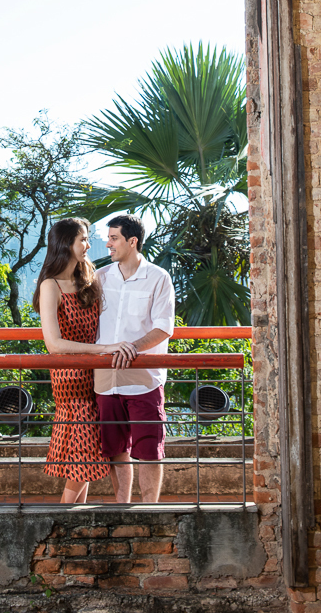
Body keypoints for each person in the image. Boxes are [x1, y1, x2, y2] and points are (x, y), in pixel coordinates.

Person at [94, 214, 175, 504]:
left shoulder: (158, 278)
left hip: (144, 380)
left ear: (132, 241)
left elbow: (164, 327)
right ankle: (122, 507)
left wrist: (132, 347)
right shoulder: (100, 277)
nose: (108, 244)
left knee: (149, 450)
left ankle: (149, 511)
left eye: (114, 238)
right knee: (116, 449)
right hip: (106, 379)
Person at [34, 217, 115, 503]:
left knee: (84, 450)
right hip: (70, 378)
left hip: (97, 373)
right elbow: (53, 344)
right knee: (85, 448)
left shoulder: (87, 280)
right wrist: (103, 349)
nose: (87, 244)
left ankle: (73, 519)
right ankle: (62, 515)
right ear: (65, 243)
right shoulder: (50, 286)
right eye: (82, 239)